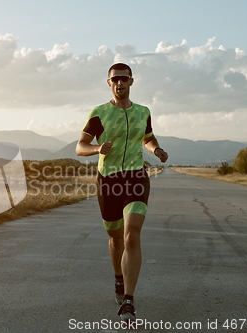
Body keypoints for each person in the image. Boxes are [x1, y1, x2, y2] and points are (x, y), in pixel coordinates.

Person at [75, 63, 168, 323]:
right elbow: (80, 146)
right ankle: (118, 276)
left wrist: (156, 150)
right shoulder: (99, 113)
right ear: (109, 83)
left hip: (136, 177)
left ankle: (128, 300)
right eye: (114, 79)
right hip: (109, 181)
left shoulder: (143, 112)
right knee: (115, 238)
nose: (119, 83)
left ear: (131, 81)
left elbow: (148, 138)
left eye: (124, 79)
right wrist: (96, 149)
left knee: (131, 235)